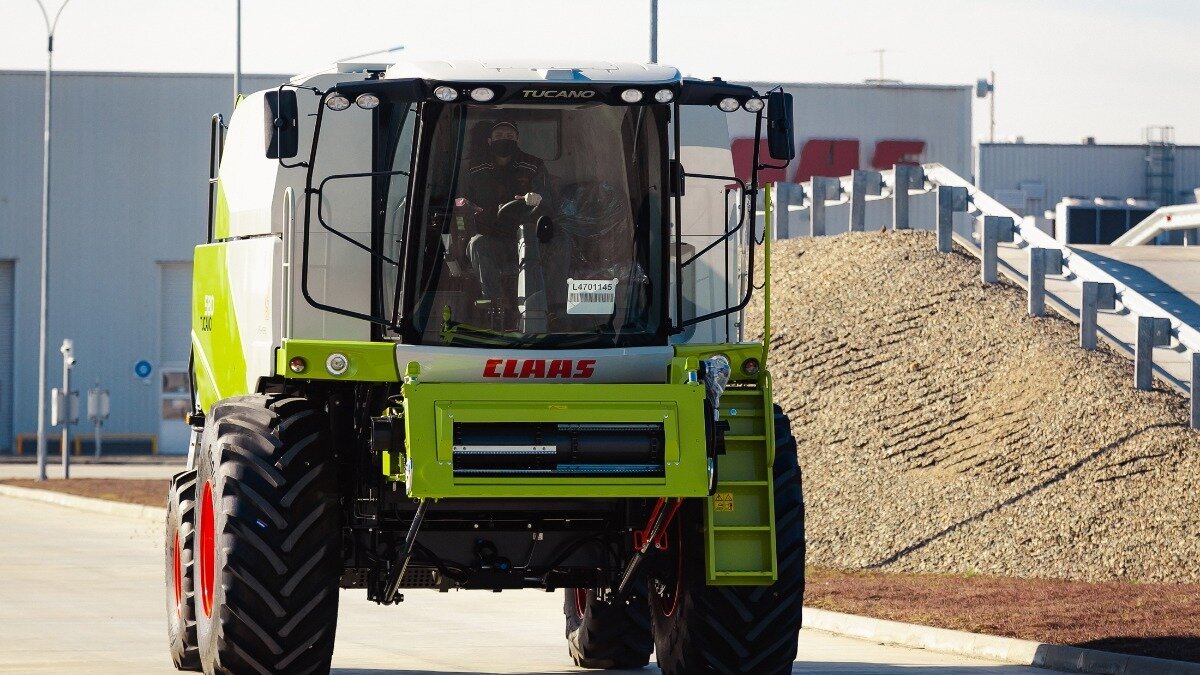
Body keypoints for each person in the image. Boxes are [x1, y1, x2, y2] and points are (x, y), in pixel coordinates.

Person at [459, 120, 570, 323]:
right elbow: (461, 203)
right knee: (476, 244)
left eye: (510, 136)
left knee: (561, 240)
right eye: (500, 136)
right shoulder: (474, 169)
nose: (505, 139)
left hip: (529, 239)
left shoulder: (533, 164)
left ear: (517, 139)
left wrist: (537, 199)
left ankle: (555, 308)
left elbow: (548, 202)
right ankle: (493, 307)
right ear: (490, 140)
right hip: (493, 239)